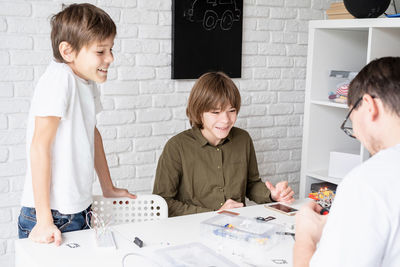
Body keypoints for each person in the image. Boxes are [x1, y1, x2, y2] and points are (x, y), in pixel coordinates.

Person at [18, 3, 135, 246]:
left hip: (79, 209)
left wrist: (108, 187)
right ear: (68, 51)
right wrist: (43, 219)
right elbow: (40, 146)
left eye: (111, 49)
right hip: (52, 214)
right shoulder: (60, 79)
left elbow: (91, 133)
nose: (110, 58)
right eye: (101, 51)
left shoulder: (86, 80)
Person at [294, 57, 400, 267]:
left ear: (369, 105)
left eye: (351, 119)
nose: (357, 134)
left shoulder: (367, 183)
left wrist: (305, 236)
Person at [153, 71, 294, 217]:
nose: (226, 120)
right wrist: (215, 214)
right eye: (215, 112)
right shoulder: (176, 147)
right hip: (191, 229)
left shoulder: (243, 139)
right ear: (199, 111)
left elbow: (251, 185)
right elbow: (161, 203)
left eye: (231, 110)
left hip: (235, 226)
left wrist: (271, 195)